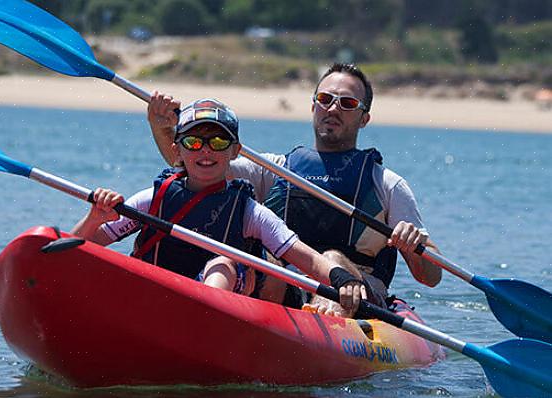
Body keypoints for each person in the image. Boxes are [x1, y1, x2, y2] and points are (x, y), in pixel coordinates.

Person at [147, 63, 442, 318]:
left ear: (364, 118)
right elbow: (194, 164)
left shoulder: (387, 184)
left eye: (347, 104)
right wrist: (162, 128)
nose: (333, 108)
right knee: (250, 255)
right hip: (283, 288)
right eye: (325, 99)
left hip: (354, 292)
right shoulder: (274, 169)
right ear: (313, 106)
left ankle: (325, 328)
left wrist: (413, 247)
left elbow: (431, 276)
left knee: (333, 259)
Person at [72, 98, 366, 315]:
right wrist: (94, 217)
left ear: (235, 151)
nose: (207, 150)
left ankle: (203, 314)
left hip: (215, 305)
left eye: (218, 141)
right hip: (155, 292)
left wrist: (340, 278)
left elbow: (308, 260)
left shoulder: (249, 212)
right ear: (177, 150)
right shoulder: (151, 200)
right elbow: (83, 245)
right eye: (194, 142)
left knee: (223, 264)